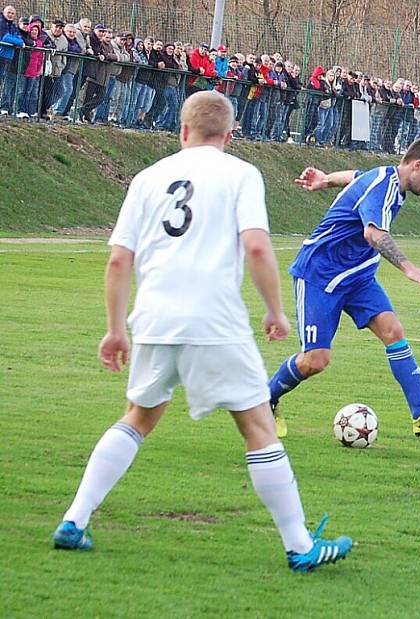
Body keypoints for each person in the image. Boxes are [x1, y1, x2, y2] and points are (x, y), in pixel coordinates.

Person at [51, 91, 352, 573]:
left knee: (138, 417)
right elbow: (255, 247)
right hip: (214, 320)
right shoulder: (240, 174)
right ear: (230, 136)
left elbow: (118, 259)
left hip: (153, 319)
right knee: (257, 427)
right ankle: (300, 547)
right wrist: (275, 310)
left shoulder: (147, 178)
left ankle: (74, 519)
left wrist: (114, 330)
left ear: (182, 130)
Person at [267, 136, 420, 439]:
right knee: (315, 360)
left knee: (393, 331)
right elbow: (373, 234)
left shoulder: (387, 179)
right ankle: (266, 400)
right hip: (321, 276)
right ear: (417, 165)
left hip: (358, 277)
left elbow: (355, 176)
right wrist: (409, 268)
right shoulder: (383, 186)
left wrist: (325, 180)